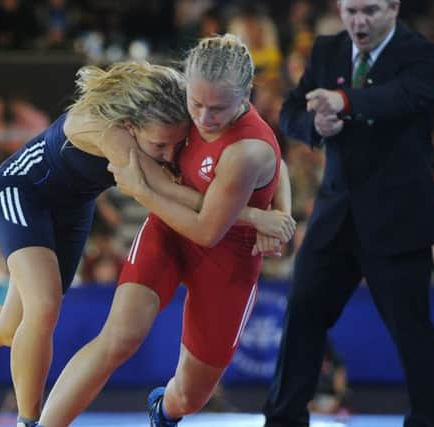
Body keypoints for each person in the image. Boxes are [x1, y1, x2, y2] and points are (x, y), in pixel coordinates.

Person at [0, 61, 289, 427]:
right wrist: (255, 216)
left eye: (176, 145)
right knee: (42, 310)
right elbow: (166, 188)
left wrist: (275, 209)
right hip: (24, 193)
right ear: (131, 126)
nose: (171, 155)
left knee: (13, 328)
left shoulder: (183, 101)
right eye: (159, 147)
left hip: (73, 209)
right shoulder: (112, 133)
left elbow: (263, 154)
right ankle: (30, 422)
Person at [35, 34, 295, 427]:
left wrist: (140, 189)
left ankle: (165, 412)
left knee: (191, 395)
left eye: (218, 110)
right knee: (118, 338)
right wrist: (267, 214)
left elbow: (210, 227)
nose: (204, 119)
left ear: (246, 96)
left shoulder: (247, 150)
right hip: (169, 229)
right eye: (196, 104)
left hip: (227, 256)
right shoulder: (184, 97)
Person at [262, 1, 434, 426]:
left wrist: (343, 101)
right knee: (302, 314)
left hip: (399, 217)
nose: (358, 22)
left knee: (411, 330)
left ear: (394, 8)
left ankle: (427, 421)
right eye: (350, 11)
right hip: (335, 216)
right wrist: (315, 128)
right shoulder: (327, 50)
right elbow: (291, 111)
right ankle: (283, 419)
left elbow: (399, 97)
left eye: (370, 11)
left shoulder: (423, 55)